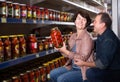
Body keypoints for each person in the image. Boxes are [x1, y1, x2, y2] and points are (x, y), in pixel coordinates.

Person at [74, 12, 120, 82]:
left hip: (113, 72)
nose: (93, 23)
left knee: (90, 73)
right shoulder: (101, 35)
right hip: (108, 68)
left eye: (95, 22)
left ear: (102, 25)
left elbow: (102, 64)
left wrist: (83, 63)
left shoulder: (108, 40)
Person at [50, 11, 94, 82]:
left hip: (83, 69)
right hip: (72, 66)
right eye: (79, 19)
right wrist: (61, 49)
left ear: (87, 23)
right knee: (53, 74)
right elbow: (68, 54)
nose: (81, 21)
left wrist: (65, 51)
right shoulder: (73, 36)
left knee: (61, 79)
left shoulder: (87, 38)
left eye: (84, 20)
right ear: (75, 21)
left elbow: (82, 58)